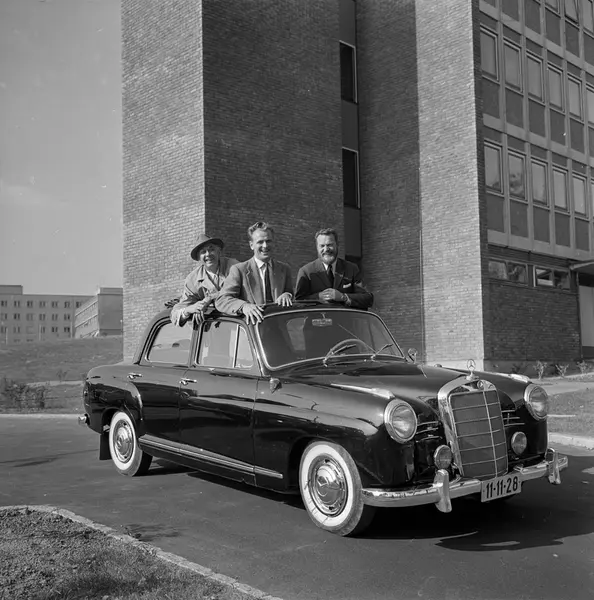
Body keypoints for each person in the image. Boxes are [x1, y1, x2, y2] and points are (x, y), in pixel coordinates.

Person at [215, 221, 293, 324]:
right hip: (251, 330)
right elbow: (222, 300)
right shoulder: (239, 270)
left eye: (268, 241)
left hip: (278, 330)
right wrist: (243, 306)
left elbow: (292, 296)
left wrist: (288, 295)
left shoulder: (284, 269)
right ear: (251, 245)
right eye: (260, 242)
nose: (265, 246)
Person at [294, 228, 373, 309]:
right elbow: (298, 302)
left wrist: (343, 297)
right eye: (322, 246)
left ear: (337, 245)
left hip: (345, 317)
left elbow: (368, 298)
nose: (326, 249)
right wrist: (318, 297)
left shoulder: (351, 269)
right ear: (317, 247)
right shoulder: (306, 271)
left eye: (329, 245)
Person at [170, 234, 239, 327]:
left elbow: (239, 291)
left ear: (219, 252)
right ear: (198, 258)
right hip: (212, 330)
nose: (208, 254)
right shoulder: (193, 280)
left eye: (211, 249)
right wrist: (192, 309)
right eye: (203, 252)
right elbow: (175, 314)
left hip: (238, 324)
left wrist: (209, 300)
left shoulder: (234, 267)